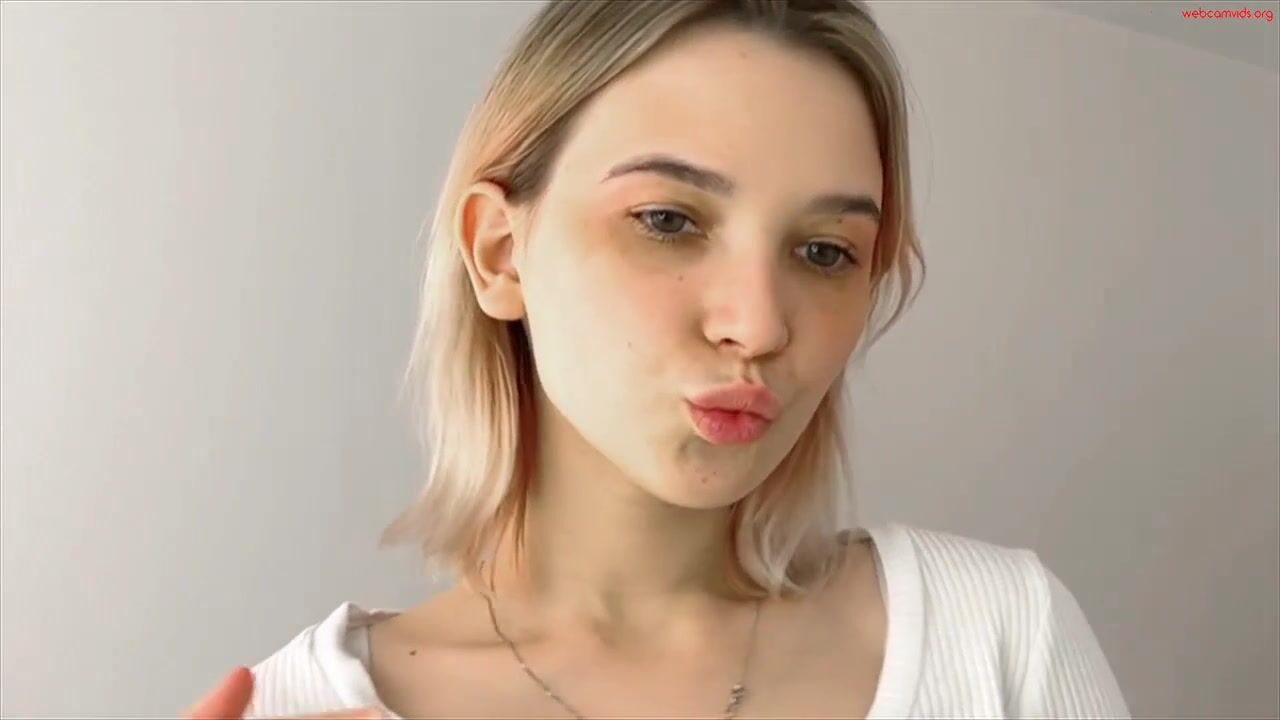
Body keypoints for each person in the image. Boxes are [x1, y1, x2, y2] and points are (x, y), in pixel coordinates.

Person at [184, 1, 1131, 718]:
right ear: (500, 254)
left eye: (824, 251)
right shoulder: (296, 706)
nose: (758, 326)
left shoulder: (999, 636)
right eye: (668, 221)